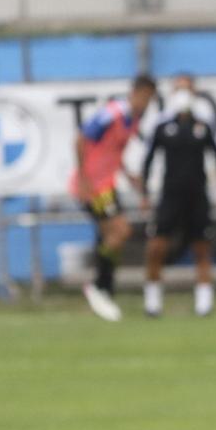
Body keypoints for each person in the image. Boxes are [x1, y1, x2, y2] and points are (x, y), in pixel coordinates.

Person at [141, 77, 216, 317]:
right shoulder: (162, 127)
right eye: (178, 89)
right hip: (170, 196)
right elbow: (148, 161)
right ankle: (152, 302)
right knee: (157, 247)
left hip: (197, 197)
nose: (183, 94)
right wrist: (144, 193)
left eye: (186, 89)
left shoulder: (202, 127)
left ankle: (204, 303)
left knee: (201, 248)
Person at [70, 74, 157, 321]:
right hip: (93, 186)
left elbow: (114, 151)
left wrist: (128, 175)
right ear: (137, 92)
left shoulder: (134, 120)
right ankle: (98, 286)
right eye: (146, 97)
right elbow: (80, 138)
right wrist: (84, 177)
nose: (147, 103)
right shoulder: (113, 113)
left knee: (110, 235)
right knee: (121, 231)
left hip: (107, 185)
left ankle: (104, 289)